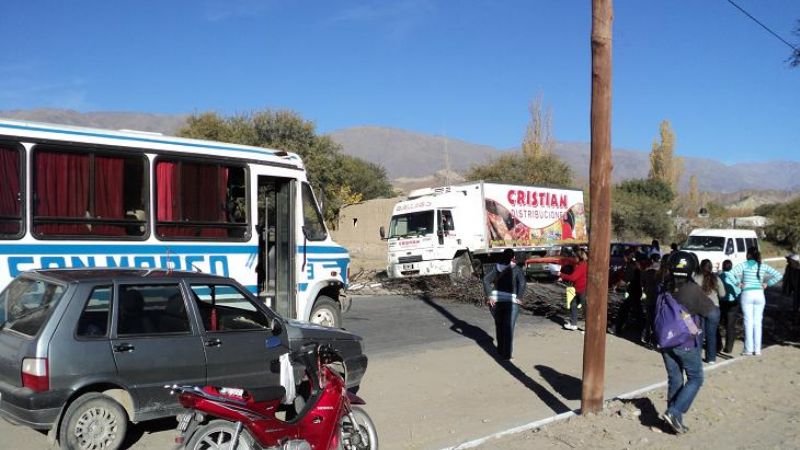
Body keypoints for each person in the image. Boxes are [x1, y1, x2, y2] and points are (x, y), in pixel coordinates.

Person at [659, 251, 716, 434]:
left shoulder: (664, 285)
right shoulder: (692, 289)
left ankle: (672, 421)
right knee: (696, 378)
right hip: (685, 341)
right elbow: (712, 314)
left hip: (665, 339)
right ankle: (674, 412)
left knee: (675, 378)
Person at [730, 248, 783, 356]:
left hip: (747, 294)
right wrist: (767, 283)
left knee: (748, 322)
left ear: (748, 255)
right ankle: (757, 350)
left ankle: (748, 349)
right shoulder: (763, 265)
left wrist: (738, 283)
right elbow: (779, 275)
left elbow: (730, 273)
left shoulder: (744, 265)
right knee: (758, 322)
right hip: (759, 295)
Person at [483, 248, 527, 360]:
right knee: (508, 328)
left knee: (500, 326)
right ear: (513, 257)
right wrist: (519, 297)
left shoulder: (496, 267)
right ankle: (506, 355)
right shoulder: (516, 269)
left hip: (495, 301)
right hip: (511, 302)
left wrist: (489, 296)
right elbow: (522, 283)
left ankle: (500, 350)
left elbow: (486, 280)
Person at [693, 259, 724, 363]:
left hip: (700, 307)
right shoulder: (716, 278)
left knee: (699, 333)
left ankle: (696, 356)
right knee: (712, 334)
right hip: (713, 308)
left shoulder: (696, 278)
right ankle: (711, 358)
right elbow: (723, 294)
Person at [614, 248, 644, 336]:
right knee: (637, 310)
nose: (623, 258)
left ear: (626, 257)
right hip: (637, 291)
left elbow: (626, 279)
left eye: (624, 257)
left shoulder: (631, 266)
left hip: (633, 291)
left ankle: (618, 329)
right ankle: (641, 329)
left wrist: (616, 285)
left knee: (623, 310)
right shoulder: (636, 265)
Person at [559, 249, 588, 331]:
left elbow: (573, 277)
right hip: (579, 289)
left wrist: (561, 274)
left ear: (579, 257)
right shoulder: (580, 265)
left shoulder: (582, 266)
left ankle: (588, 328)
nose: (574, 258)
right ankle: (573, 324)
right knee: (573, 305)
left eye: (575, 257)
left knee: (586, 309)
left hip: (583, 290)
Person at [719, 259, 742, 354]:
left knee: (719, 324)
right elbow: (738, 290)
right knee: (730, 326)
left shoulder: (720, 276)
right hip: (733, 303)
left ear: (723, 267)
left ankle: (718, 345)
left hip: (722, 302)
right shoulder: (735, 277)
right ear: (731, 267)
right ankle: (728, 347)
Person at [641, 252, 663, 346]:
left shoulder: (647, 271)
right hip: (659, 298)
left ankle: (647, 338)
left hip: (649, 297)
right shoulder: (662, 271)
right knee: (658, 319)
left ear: (652, 260)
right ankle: (657, 339)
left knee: (649, 319)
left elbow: (643, 284)